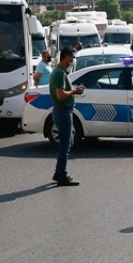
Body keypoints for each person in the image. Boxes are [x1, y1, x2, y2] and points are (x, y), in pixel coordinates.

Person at [50, 47, 85, 187]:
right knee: (65, 144)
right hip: (63, 111)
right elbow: (60, 95)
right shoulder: (59, 73)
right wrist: (74, 92)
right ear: (66, 57)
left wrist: (72, 91)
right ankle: (62, 175)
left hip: (63, 110)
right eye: (72, 57)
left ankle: (58, 171)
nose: (73, 60)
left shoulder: (61, 72)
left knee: (68, 142)